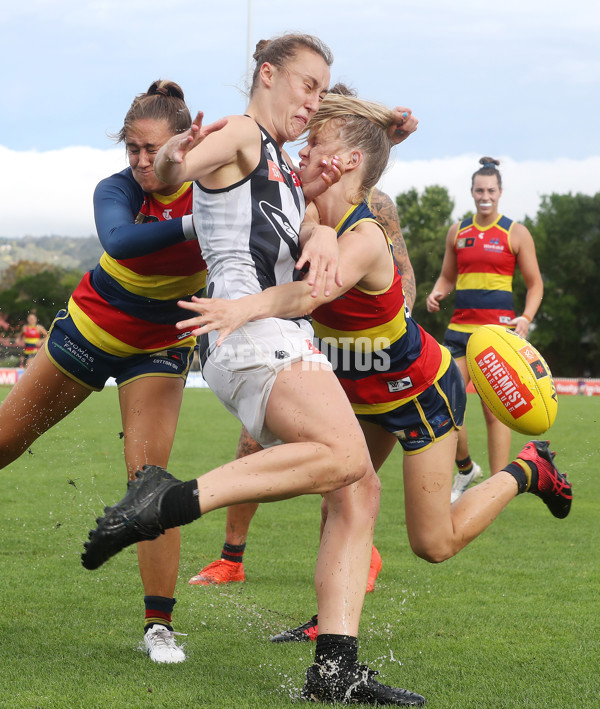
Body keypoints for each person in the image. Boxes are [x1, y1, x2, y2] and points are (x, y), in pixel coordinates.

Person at [81, 33, 427, 707]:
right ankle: (165, 500)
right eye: (307, 85)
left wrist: (324, 224)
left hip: (278, 333)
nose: (313, 101)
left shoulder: (283, 166)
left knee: (358, 491)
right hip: (251, 332)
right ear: (267, 74)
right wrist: (181, 152)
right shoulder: (241, 133)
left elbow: (315, 208)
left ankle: (335, 667)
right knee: (343, 455)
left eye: (323, 92)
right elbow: (177, 172)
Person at [171, 90, 572, 655]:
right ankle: (330, 624)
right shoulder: (305, 210)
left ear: (350, 161)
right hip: (357, 384)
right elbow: (286, 189)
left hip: (418, 391)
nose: (307, 149)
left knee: (434, 543)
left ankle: (529, 470)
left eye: (320, 143)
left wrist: (239, 309)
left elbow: (309, 294)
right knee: (344, 495)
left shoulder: (366, 232)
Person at [0, 80, 210, 664]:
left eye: (154, 150)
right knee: (4, 442)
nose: (143, 162)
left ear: (185, 144)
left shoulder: (215, 187)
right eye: (133, 150)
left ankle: (159, 627)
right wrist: (202, 225)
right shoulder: (116, 190)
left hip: (161, 346)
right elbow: (120, 241)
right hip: (93, 329)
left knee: (150, 482)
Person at [187, 185, 414, 591]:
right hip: (299, 337)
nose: (311, 149)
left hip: (364, 350)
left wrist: (394, 330)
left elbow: (403, 271)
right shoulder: (291, 193)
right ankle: (231, 558)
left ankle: (359, 556)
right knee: (252, 442)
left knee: (346, 469)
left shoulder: (375, 205)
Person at [426, 157, 544, 502]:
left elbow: (535, 285)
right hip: (459, 332)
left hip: (498, 337)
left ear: (500, 192)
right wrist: (437, 291)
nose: (485, 195)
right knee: (442, 401)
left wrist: (525, 317)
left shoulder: (515, 232)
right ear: (472, 192)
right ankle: (465, 469)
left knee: (496, 414)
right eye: (479, 189)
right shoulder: (458, 231)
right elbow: (448, 277)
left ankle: (497, 488)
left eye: (491, 190)